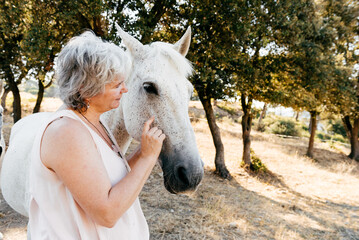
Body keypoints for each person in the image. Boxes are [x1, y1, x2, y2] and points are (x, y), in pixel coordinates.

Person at [27, 31, 165, 239]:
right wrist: (147, 158)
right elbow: (107, 213)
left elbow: (108, 181)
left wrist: (143, 151)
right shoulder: (66, 132)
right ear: (85, 89)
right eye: (117, 84)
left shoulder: (93, 122)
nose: (125, 89)